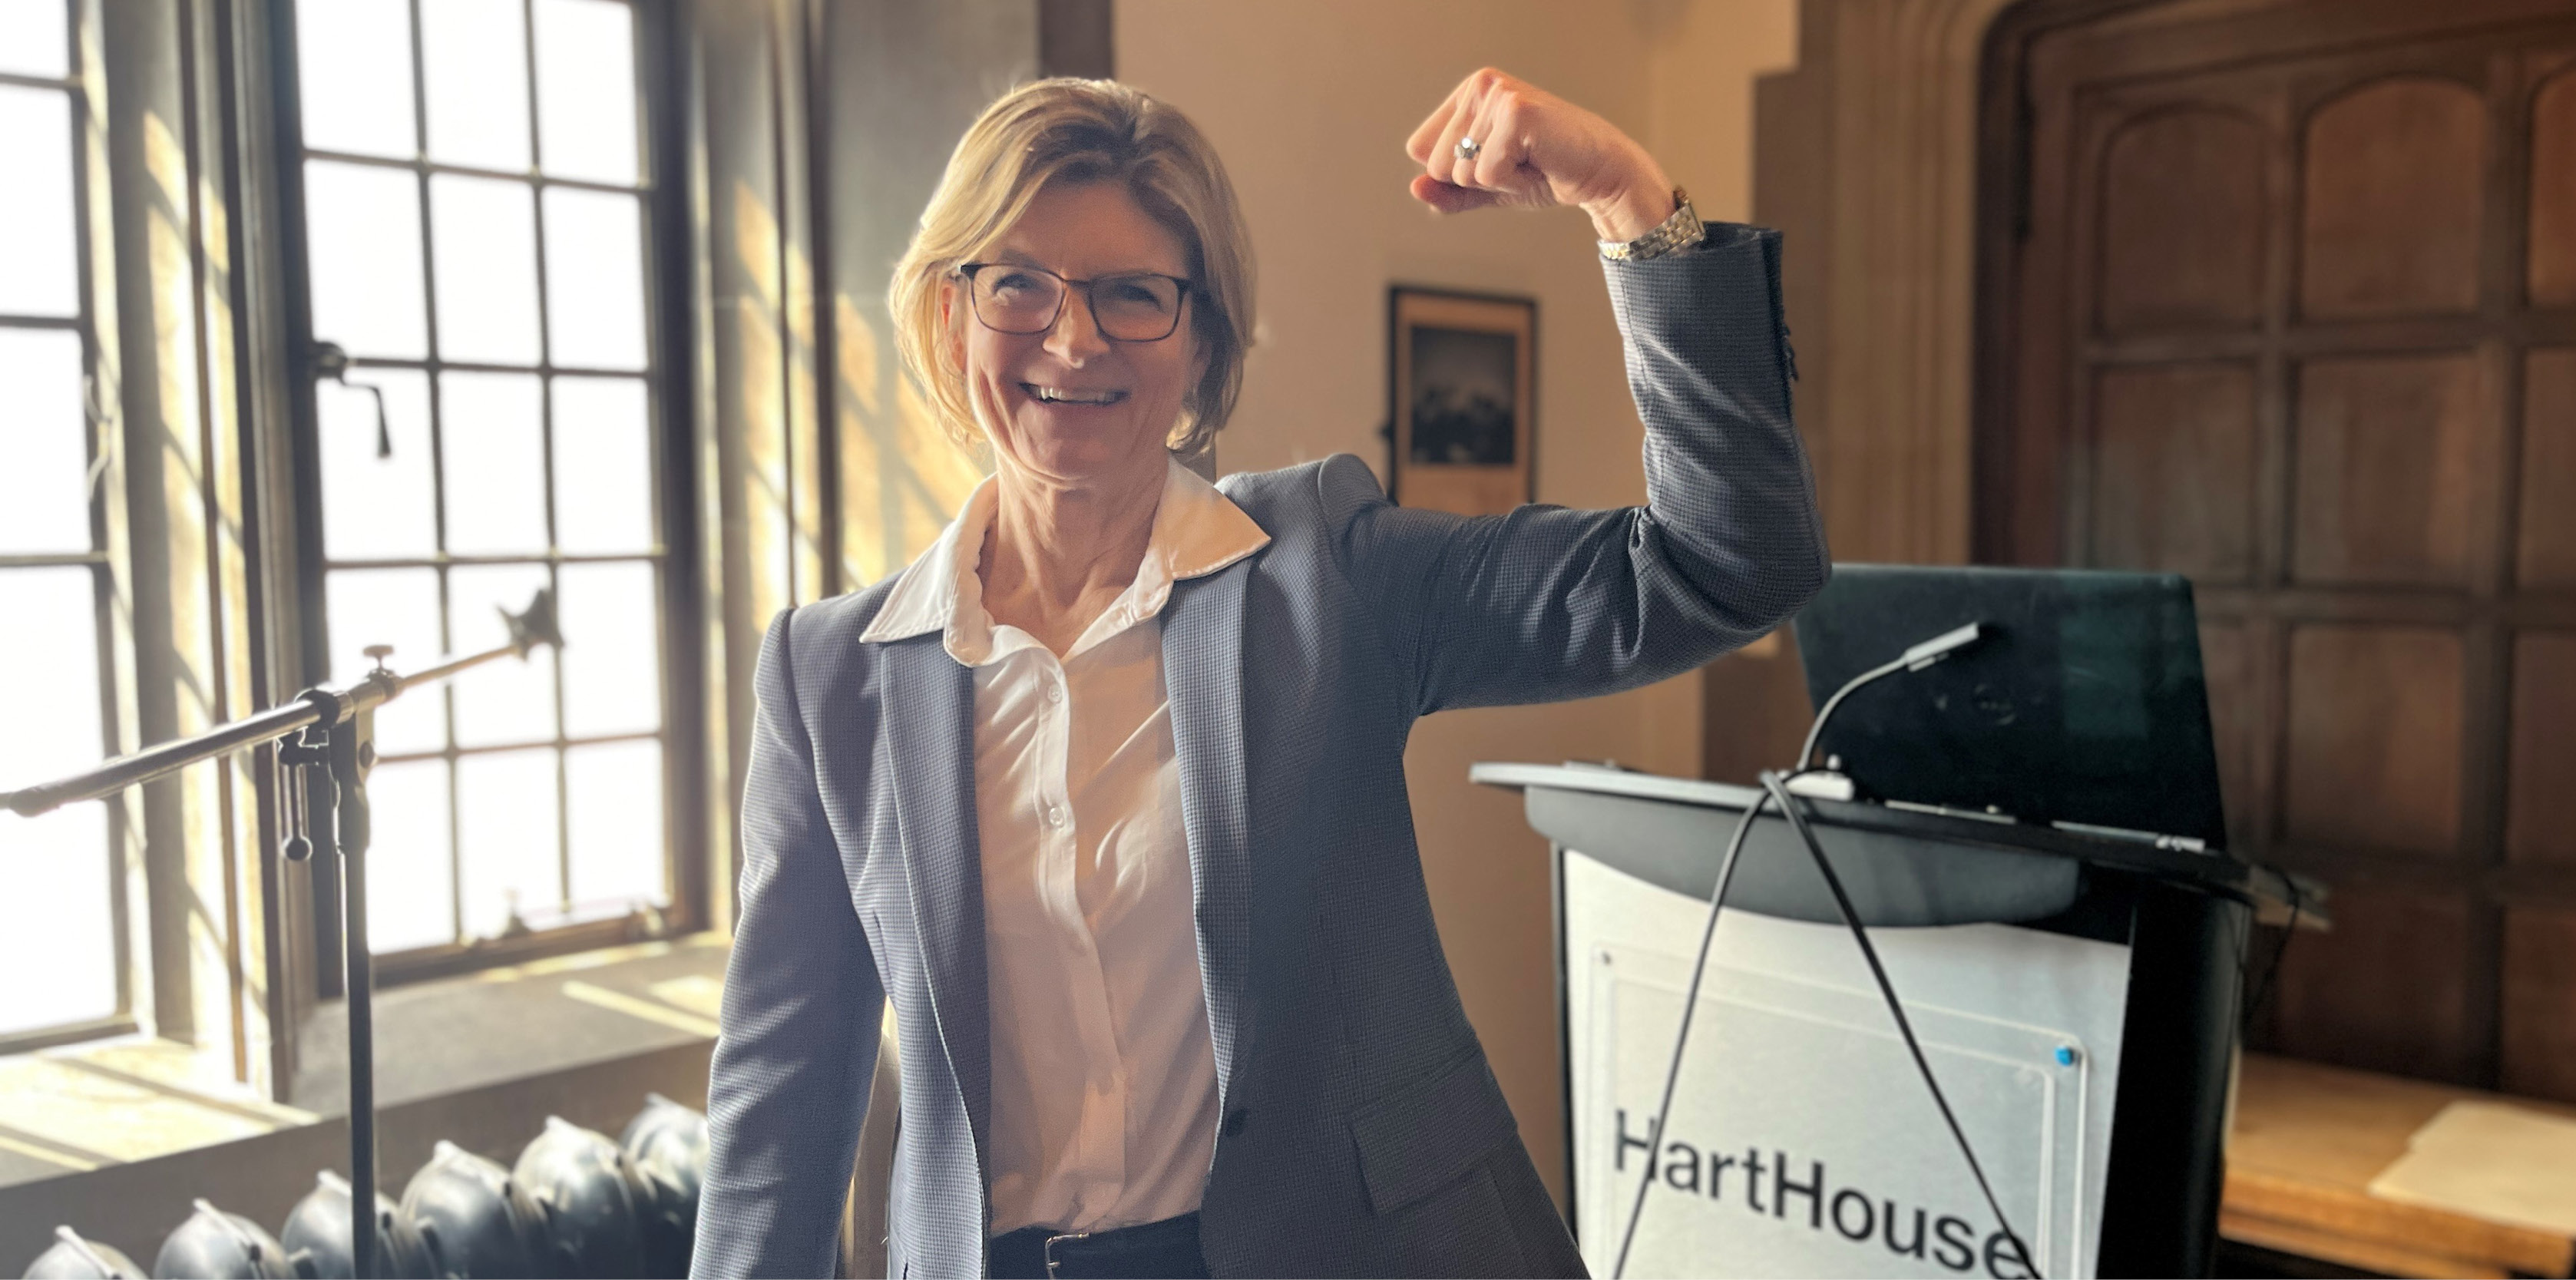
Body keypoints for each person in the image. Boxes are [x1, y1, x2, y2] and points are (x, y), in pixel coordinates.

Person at [692, 67, 1827, 1279]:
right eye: (1016, 282)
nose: (1070, 338)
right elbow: (782, 1092)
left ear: (1202, 347)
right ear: (946, 312)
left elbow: (1725, 565)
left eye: (1133, 294)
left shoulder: (1327, 581)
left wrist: (1627, 201)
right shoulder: (829, 681)